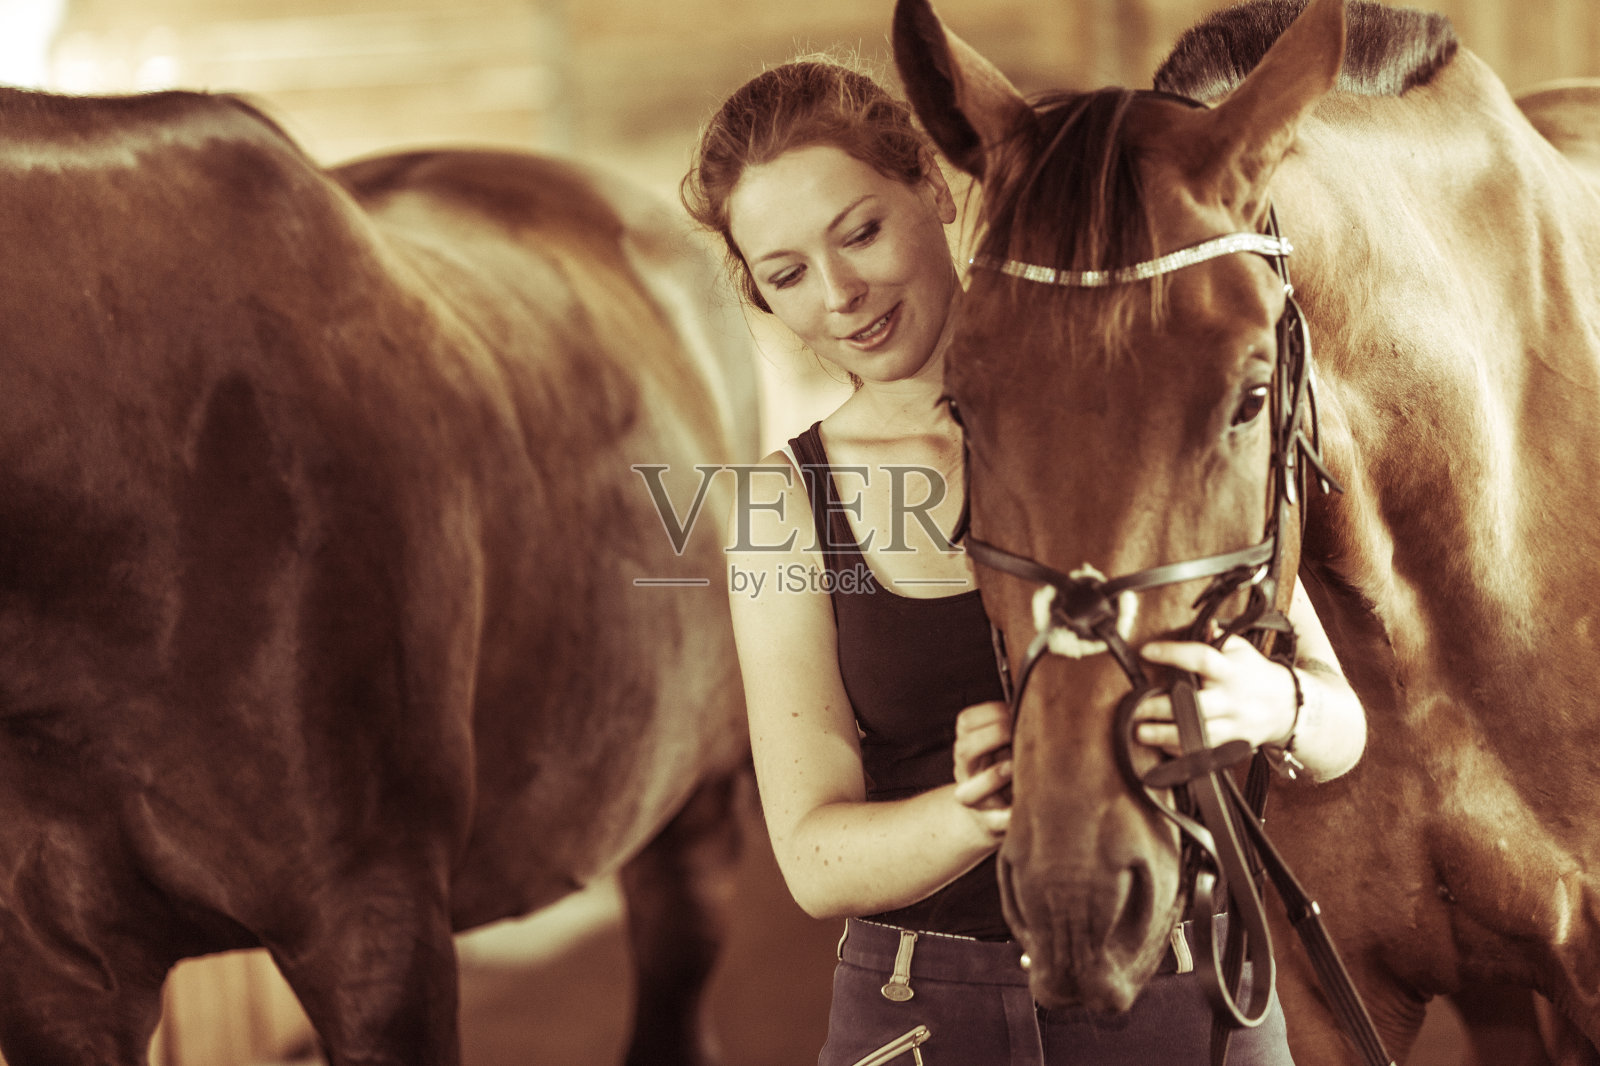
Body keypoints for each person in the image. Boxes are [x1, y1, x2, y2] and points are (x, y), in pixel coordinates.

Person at [682, 57, 1366, 1066]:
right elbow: (813, 859)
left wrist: (1270, 704)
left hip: (1190, 993)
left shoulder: (1135, 398)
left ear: (933, 186)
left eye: (860, 232)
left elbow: (1339, 724)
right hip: (923, 1012)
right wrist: (974, 812)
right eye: (786, 275)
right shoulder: (781, 503)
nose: (840, 293)